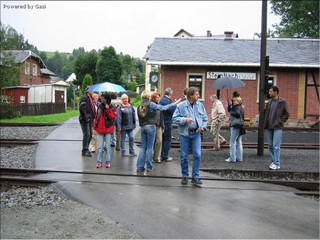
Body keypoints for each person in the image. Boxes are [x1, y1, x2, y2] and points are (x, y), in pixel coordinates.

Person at [136, 91, 181, 172]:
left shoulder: (139, 105)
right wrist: (174, 103)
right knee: (150, 147)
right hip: (151, 126)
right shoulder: (151, 104)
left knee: (143, 147)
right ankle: (149, 167)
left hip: (143, 127)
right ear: (148, 96)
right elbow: (162, 108)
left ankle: (140, 166)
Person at [172, 87, 208, 185]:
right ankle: (185, 176)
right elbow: (174, 118)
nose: (199, 96)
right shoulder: (181, 106)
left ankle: (195, 177)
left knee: (198, 154)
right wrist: (185, 120)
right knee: (184, 156)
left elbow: (205, 119)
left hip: (197, 133)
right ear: (191, 95)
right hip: (185, 134)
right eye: (197, 94)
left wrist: (203, 127)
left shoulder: (200, 105)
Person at [264, 86, 290, 170]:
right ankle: (273, 161)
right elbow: (266, 113)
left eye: (271, 91)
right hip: (269, 126)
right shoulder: (269, 102)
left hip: (277, 127)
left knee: (276, 146)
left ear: (276, 92)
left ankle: (277, 163)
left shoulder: (282, 102)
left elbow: (287, 114)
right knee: (270, 146)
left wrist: (280, 122)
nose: (269, 93)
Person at [93, 93, 117, 168]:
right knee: (100, 147)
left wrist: (108, 109)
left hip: (108, 129)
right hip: (100, 129)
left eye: (103, 98)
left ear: (106, 99)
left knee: (107, 147)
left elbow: (113, 117)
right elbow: (96, 117)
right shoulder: (100, 106)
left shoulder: (112, 107)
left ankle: (107, 161)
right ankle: (99, 162)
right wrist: (95, 127)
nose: (101, 99)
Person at [159, 88, 177, 162]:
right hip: (167, 122)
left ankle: (160, 154)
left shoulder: (161, 100)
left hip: (161, 122)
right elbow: (172, 110)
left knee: (161, 139)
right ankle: (165, 156)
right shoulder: (168, 101)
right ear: (170, 94)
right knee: (167, 140)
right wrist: (175, 104)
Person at [225, 96, 244, 163]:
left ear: (238, 101)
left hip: (235, 125)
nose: (233, 102)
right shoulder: (240, 107)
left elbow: (237, 114)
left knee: (232, 142)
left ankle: (232, 158)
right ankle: (239, 157)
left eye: (234, 101)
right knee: (239, 142)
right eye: (233, 101)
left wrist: (231, 112)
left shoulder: (237, 107)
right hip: (240, 126)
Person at [79, 88, 96, 157]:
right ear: (89, 91)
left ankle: (86, 149)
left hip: (90, 119)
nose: (93, 92)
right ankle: (84, 150)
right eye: (92, 90)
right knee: (87, 135)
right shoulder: (85, 97)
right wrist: (86, 117)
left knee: (90, 135)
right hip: (85, 119)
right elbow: (81, 108)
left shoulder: (90, 98)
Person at [151, 93, 164, 163]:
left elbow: (162, 117)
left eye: (159, 97)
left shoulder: (160, 106)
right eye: (157, 97)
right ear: (153, 98)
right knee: (152, 142)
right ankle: (151, 156)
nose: (158, 99)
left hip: (159, 126)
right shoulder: (151, 106)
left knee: (159, 141)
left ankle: (157, 157)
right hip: (151, 126)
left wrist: (163, 127)